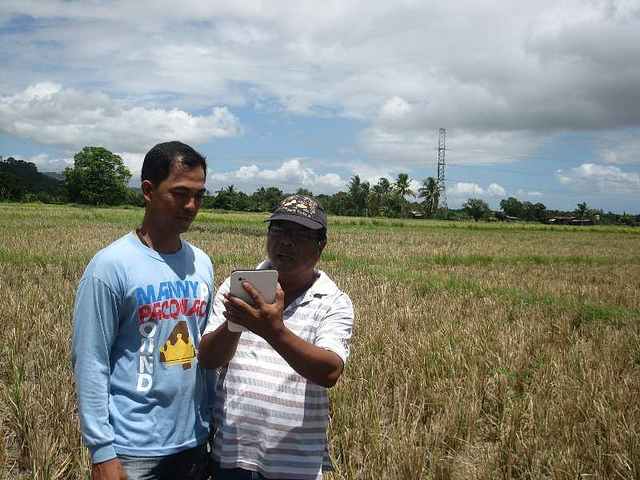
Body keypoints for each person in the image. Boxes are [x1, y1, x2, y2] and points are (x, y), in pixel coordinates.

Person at [71, 141, 215, 480]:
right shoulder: (111, 266)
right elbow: (90, 360)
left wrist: (211, 422)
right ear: (148, 191)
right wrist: (102, 451)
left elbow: (205, 353)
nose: (191, 206)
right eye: (180, 194)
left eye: (199, 196)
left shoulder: (201, 263)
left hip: (192, 442)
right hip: (132, 449)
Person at [199, 194, 354, 480]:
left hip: (294, 465)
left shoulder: (333, 301)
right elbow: (209, 359)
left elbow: (329, 371)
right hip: (231, 455)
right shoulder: (238, 287)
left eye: (300, 235)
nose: (286, 241)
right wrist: (235, 322)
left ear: (321, 245)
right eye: (279, 230)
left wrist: (273, 330)